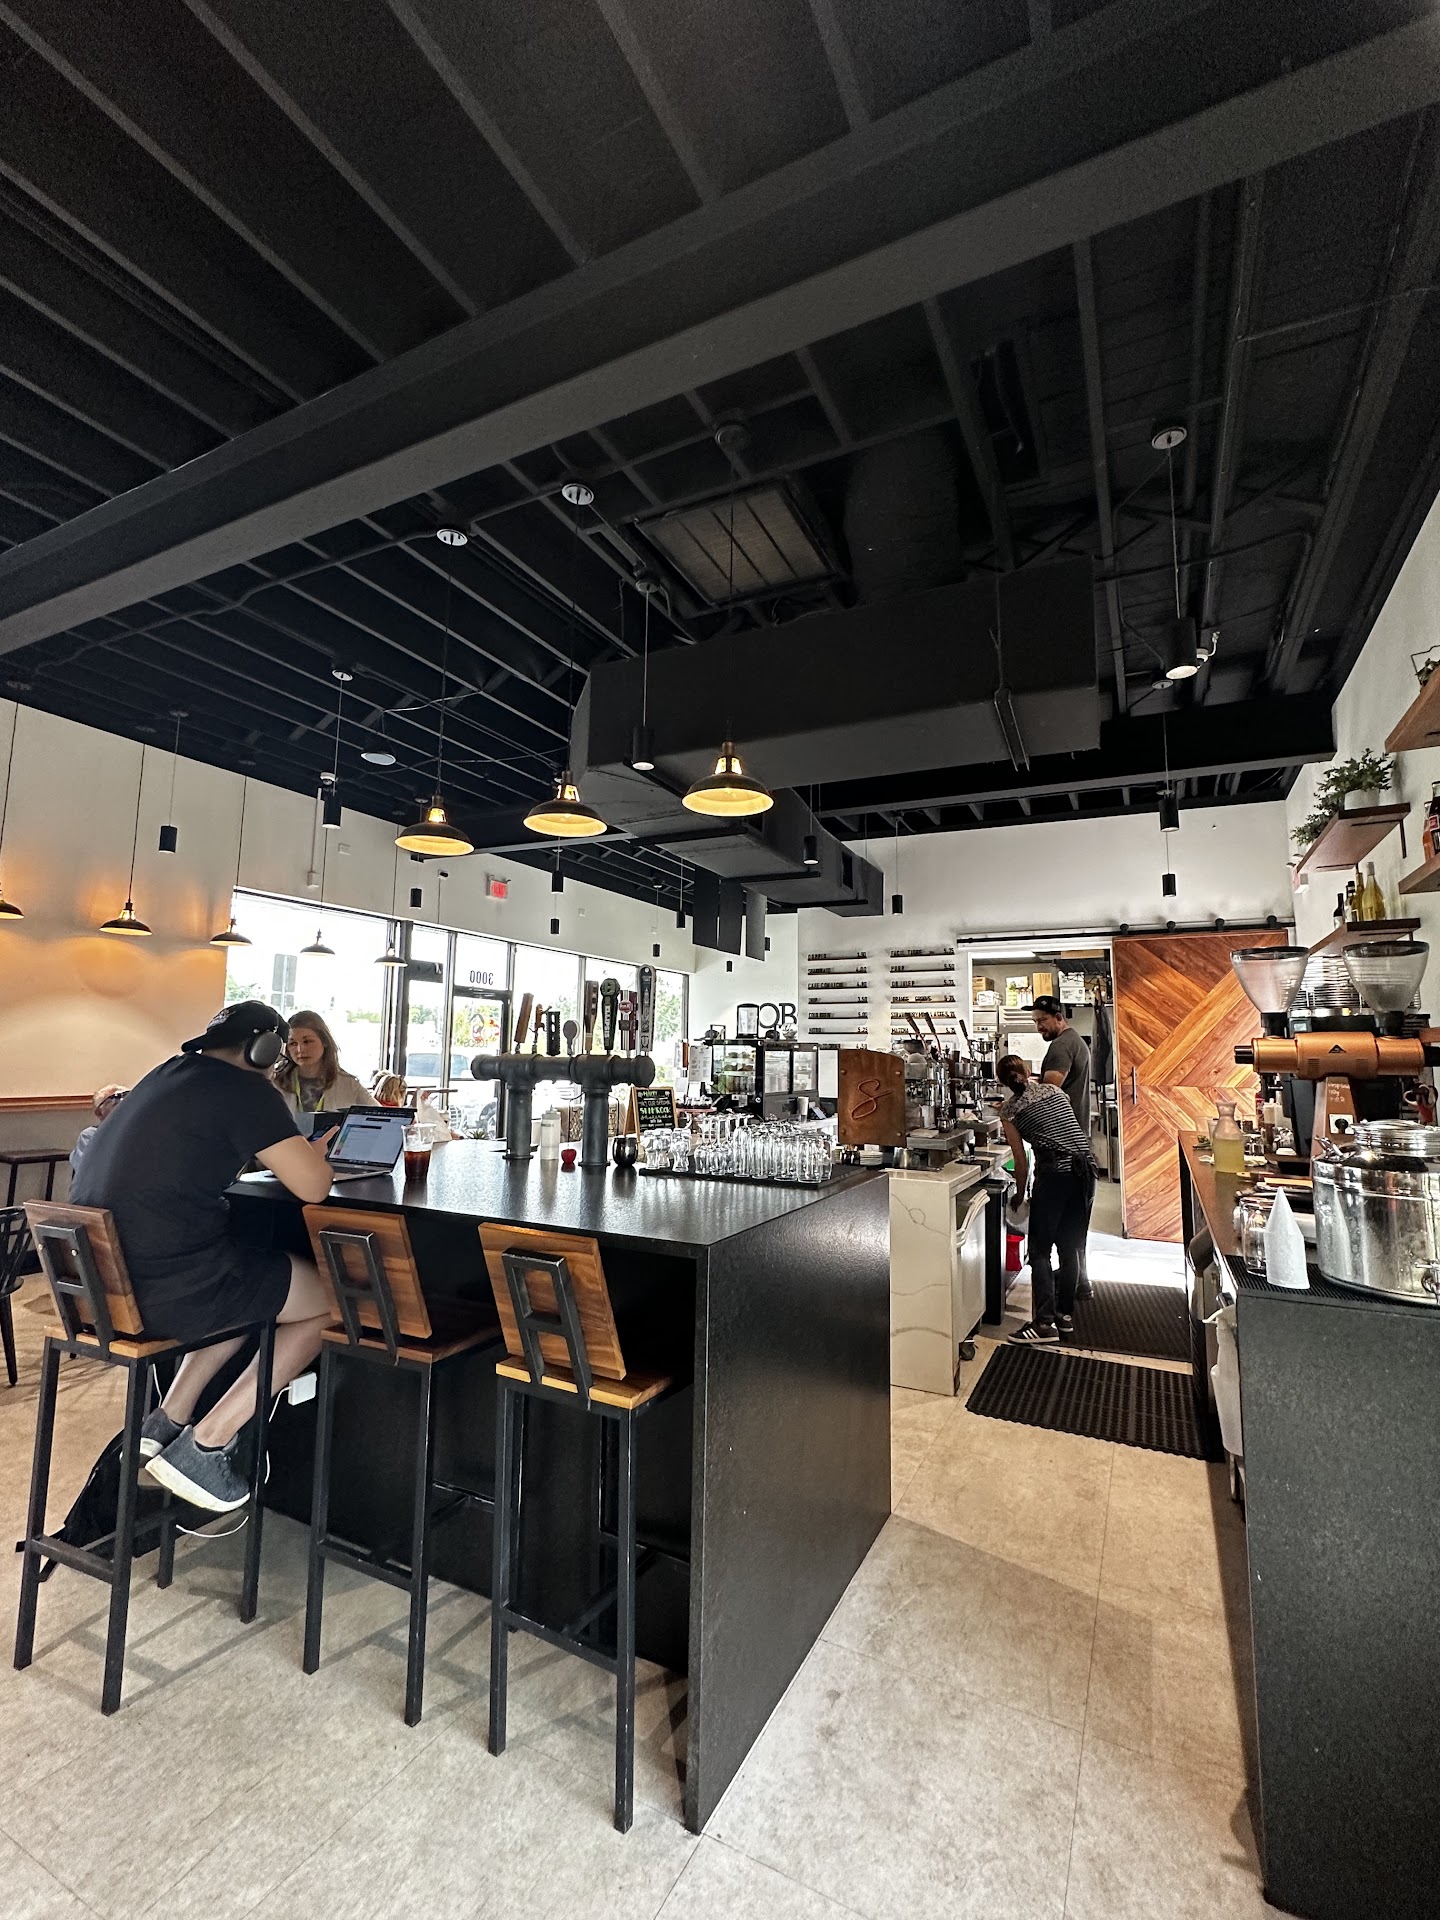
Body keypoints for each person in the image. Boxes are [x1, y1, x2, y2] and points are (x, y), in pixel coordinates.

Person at [71, 1002, 338, 1514]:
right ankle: (209, 1442)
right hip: (166, 1289)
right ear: (264, 1049)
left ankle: (166, 1420)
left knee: (250, 1290)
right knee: (331, 1302)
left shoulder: (164, 1074)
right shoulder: (247, 1090)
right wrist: (316, 1157)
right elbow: (314, 1187)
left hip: (103, 1289)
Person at [995, 1054, 1097, 1346]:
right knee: (1070, 1246)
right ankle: (1064, 1317)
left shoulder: (1010, 1111)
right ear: (1028, 1070)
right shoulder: (1054, 1090)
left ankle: (1043, 1324)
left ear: (1002, 1082)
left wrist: (1019, 1194)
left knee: (1039, 1250)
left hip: (1055, 1175)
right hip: (1085, 1170)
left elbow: (1020, 1161)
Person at [272, 1009, 377, 1118]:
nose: (300, 1049)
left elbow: (381, 1117)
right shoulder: (275, 1081)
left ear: (325, 1041)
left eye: (307, 1041)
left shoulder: (349, 1084)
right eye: (293, 1043)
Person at [1031, 995, 1091, 1132]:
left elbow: (1048, 1093)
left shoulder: (1061, 1045)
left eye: (1043, 1020)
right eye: (1035, 1021)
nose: (1038, 1027)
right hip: (1073, 1130)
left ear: (1058, 1017)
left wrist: (1013, 1107)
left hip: (1063, 1132)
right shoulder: (1073, 1039)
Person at [68, 1084, 127, 1177]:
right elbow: (89, 1173)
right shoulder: (90, 1136)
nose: (125, 1108)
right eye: (115, 1103)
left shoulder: (141, 1132)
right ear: (99, 1113)